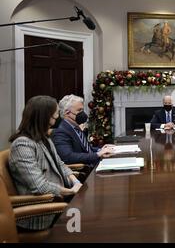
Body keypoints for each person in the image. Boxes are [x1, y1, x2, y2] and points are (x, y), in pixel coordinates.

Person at [8, 95, 82, 230]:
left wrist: (75, 181)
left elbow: (59, 163)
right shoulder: (22, 145)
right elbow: (39, 186)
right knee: (89, 223)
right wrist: (70, 191)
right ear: (43, 118)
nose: (57, 120)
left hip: (59, 200)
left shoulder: (43, 139)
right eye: (55, 117)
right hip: (43, 213)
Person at [52, 94, 114, 165]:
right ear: (67, 113)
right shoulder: (60, 131)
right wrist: (97, 154)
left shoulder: (75, 127)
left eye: (82, 110)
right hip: (86, 171)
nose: (82, 113)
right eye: (79, 110)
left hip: (94, 163)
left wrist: (101, 149)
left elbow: (86, 149)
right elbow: (67, 157)